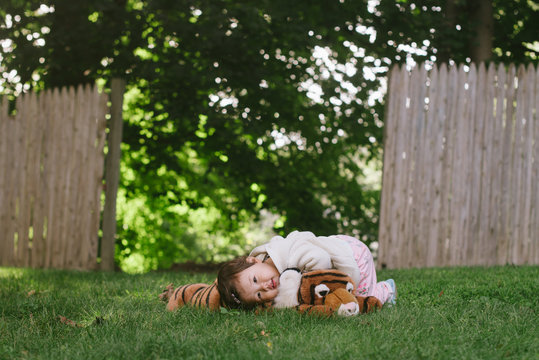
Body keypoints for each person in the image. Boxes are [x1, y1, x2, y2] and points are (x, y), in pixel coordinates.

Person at [217, 230, 396, 310]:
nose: (264, 287)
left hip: (352, 255)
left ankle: (386, 290)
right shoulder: (265, 267)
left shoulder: (287, 256)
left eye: (255, 280)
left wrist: (300, 285)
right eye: (258, 295)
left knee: (361, 300)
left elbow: (321, 259)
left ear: (254, 260)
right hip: (337, 246)